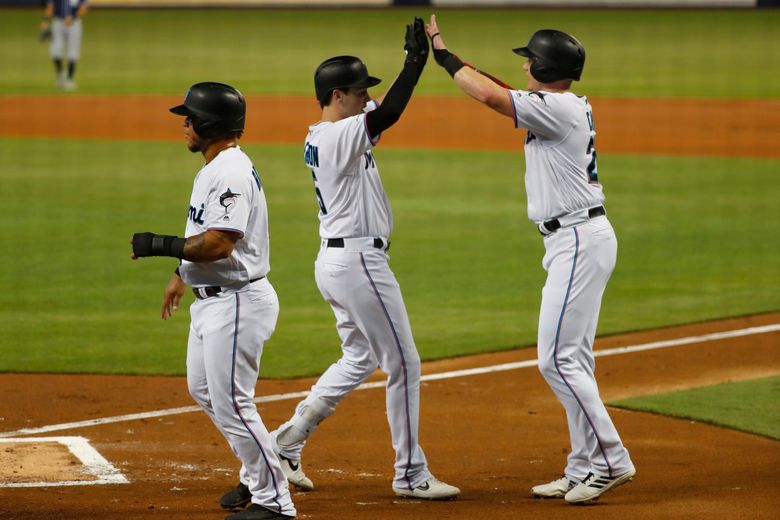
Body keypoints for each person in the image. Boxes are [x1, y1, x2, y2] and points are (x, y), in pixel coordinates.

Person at [424, 15, 636, 505]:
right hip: (577, 238)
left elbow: (491, 96)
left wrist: (443, 55)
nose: (522, 67)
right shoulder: (562, 104)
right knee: (574, 357)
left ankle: (611, 459)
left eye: (527, 59)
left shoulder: (556, 108)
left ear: (542, 64)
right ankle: (583, 466)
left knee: (556, 359)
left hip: (579, 239)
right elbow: (503, 88)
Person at [269, 19, 460, 501]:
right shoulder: (339, 136)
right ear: (338, 95)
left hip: (338, 262)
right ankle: (411, 474)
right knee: (404, 363)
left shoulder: (328, 129)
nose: (366, 98)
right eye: (359, 92)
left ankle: (286, 443)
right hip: (357, 264)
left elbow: (381, 107)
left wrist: (407, 70)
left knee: (359, 357)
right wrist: (415, 63)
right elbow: (388, 113)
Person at [130, 82, 296, 520]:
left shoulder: (230, 173)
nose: (184, 124)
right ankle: (258, 472)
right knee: (204, 390)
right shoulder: (216, 167)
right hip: (215, 301)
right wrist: (180, 274)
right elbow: (202, 234)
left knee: (234, 402)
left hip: (238, 301)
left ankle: (275, 502)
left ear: (209, 123)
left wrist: (156, 244)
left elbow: (220, 244)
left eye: (190, 117)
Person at [40, 0, 88, 91]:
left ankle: (69, 79)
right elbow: (50, 7)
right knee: (55, 50)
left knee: (73, 51)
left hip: (75, 24)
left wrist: (73, 17)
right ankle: (60, 74)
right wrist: (45, 21)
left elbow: (84, 8)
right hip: (58, 22)